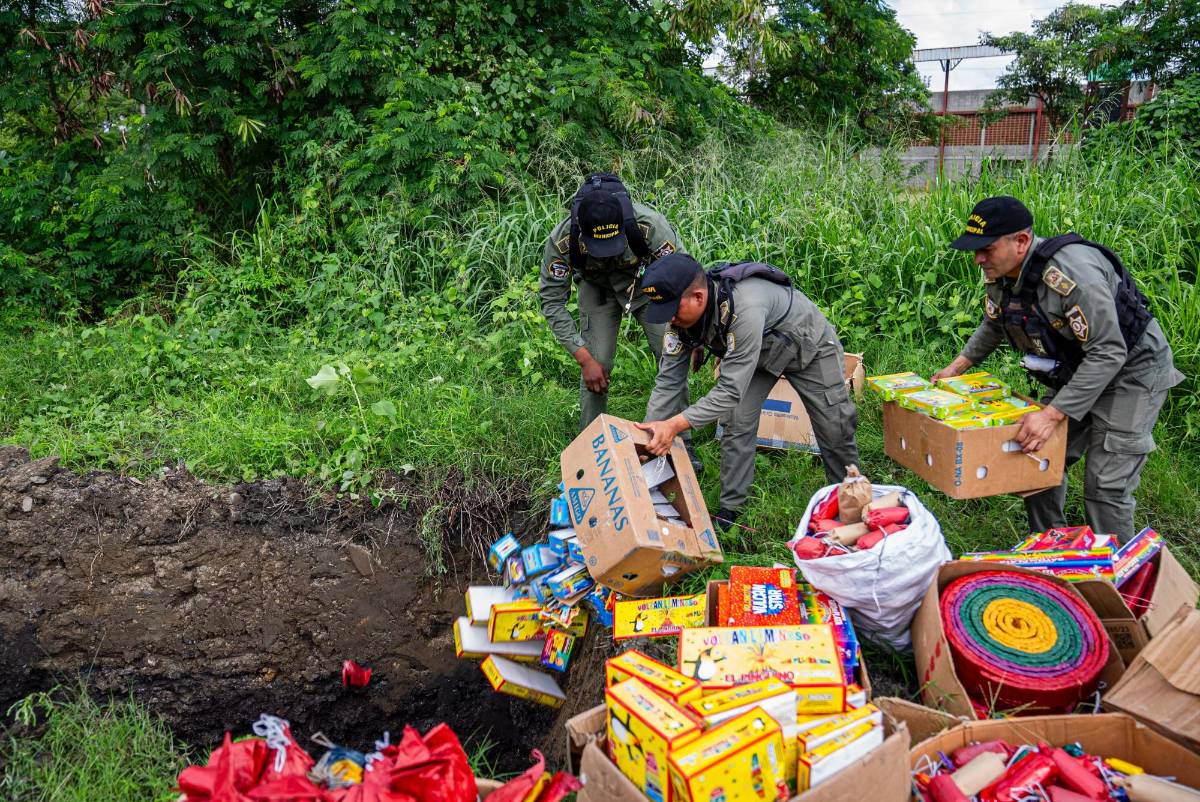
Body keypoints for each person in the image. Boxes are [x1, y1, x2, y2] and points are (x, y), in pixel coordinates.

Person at [932, 196, 1183, 542]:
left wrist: (1051, 414)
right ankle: (1054, 552)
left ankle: (1115, 583)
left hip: (1131, 371)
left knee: (1105, 484)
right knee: (1036, 458)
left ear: (1020, 241)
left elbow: (1109, 353)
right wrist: (955, 368)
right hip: (1078, 368)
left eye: (986, 249)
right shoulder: (1003, 274)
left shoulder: (1071, 275)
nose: (978, 259)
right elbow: (994, 323)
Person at [635, 252, 860, 530]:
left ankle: (849, 500)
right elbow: (668, 383)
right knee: (736, 420)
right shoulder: (680, 322)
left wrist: (674, 424)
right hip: (758, 355)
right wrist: (646, 440)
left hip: (807, 344)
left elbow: (729, 389)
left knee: (833, 423)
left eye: (673, 311)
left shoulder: (744, 308)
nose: (670, 320)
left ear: (698, 297)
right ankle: (731, 509)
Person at [539, 173, 698, 468]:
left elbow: (683, 275)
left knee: (670, 350)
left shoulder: (649, 226)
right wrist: (583, 357)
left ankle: (680, 442)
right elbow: (551, 301)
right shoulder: (562, 242)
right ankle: (591, 447)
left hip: (646, 284)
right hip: (596, 287)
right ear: (581, 231)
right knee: (597, 363)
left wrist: (690, 330)